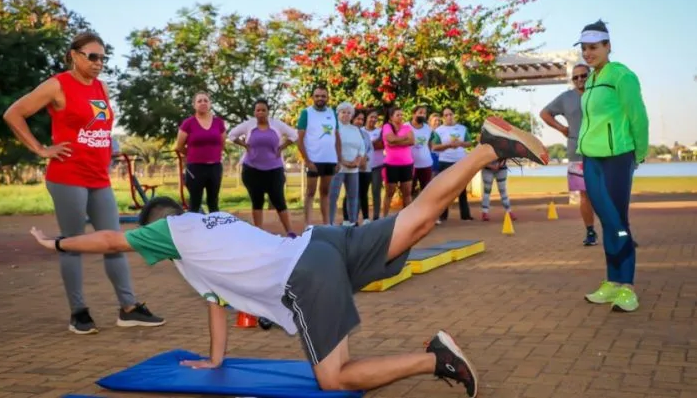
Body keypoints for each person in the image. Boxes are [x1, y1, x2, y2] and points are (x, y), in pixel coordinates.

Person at [29, 116, 550, 397]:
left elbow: (109, 239)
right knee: (415, 218)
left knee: (334, 379)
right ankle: (486, 149)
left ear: (157, 227)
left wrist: (57, 242)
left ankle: (433, 359)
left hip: (304, 274)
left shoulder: (172, 232)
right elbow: (215, 301)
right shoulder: (212, 229)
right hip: (316, 242)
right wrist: (214, 359)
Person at [3, 32, 164, 334]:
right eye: (92, 56)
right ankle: (79, 313)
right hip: (67, 177)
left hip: (98, 178)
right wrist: (40, 149)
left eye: (103, 57)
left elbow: (97, 129)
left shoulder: (101, 87)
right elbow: (13, 114)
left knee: (114, 241)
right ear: (74, 55)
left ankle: (129, 309)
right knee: (72, 242)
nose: (99, 63)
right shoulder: (58, 84)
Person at [574, 20, 649, 313]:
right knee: (606, 220)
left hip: (617, 156)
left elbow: (638, 117)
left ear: (608, 46)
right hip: (591, 157)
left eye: (593, 47)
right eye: (584, 48)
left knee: (618, 222)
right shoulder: (591, 79)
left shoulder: (622, 76)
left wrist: (638, 154)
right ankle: (611, 282)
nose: (588, 53)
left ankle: (627, 287)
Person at [540, 63, 596, 245]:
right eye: (576, 77)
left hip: (602, 152)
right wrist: (561, 128)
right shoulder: (566, 98)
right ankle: (590, 232)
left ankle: (621, 233)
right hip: (577, 153)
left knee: (610, 193)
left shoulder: (600, 93)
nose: (580, 79)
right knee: (585, 195)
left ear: (591, 75)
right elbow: (544, 113)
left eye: (583, 75)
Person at [228, 99, 298, 234]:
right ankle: (259, 233)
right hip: (252, 170)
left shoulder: (277, 125)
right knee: (257, 201)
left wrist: (282, 147)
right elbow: (232, 135)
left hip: (274, 170)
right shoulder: (249, 125)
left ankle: (290, 232)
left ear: (268, 112)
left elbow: (294, 135)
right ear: (254, 112)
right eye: (258, 110)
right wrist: (244, 145)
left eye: (263, 110)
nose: (260, 112)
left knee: (279, 200)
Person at [296, 85, 342, 226]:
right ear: (312, 97)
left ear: (327, 97)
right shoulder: (306, 113)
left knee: (325, 193)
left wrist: (339, 159)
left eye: (323, 96)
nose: (320, 98)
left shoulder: (332, 113)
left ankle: (326, 224)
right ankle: (307, 225)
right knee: (310, 193)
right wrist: (307, 160)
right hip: (313, 160)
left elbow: (337, 137)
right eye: (317, 96)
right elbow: (299, 139)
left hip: (330, 160)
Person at [176, 91, 226, 214]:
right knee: (194, 203)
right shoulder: (188, 123)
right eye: (199, 101)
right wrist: (193, 155)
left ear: (210, 104)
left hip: (215, 167)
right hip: (195, 168)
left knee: (213, 202)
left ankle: (214, 231)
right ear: (194, 105)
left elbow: (222, 144)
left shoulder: (219, 122)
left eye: (206, 100)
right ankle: (192, 231)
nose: (203, 103)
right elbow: (179, 146)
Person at [431, 108, 474, 221]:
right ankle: (443, 215)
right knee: (445, 190)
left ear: (454, 115)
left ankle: (465, 215)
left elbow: (470, 142)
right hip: (445, 161)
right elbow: (434, 147)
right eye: (446, 115)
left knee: (462, 189)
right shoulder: (439, 130)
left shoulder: (462, 128)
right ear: (443, 117)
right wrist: (448, 145)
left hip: (460, 161)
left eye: (450, 114)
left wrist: (461, 143)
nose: (449, 117)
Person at [328, 102, 365, 226]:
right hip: (338, 167)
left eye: (349, 113)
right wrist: (342, 161)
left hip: (353, 169)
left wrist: (358, 160)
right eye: (343, 112)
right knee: (333, 196)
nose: (346, 115)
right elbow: (331, 146)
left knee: (353, 197)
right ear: (338, 113)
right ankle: (330, 223)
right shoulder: (334, 128)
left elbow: (362, 147)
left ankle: (352, 222)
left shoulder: (355, 129)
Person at [381, 107, 415, 217]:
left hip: (407, 164)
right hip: (392, 164)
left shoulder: (407, 127)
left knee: (407, 193)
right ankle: (384, 216)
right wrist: (404, 139)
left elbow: (412, 141)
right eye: (398, 115)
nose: (400, 117)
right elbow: (390, 139)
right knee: (389, 192)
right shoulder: (387, 127)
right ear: (391, 117)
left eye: (401, 114)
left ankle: (408, 217)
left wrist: (396, 142)